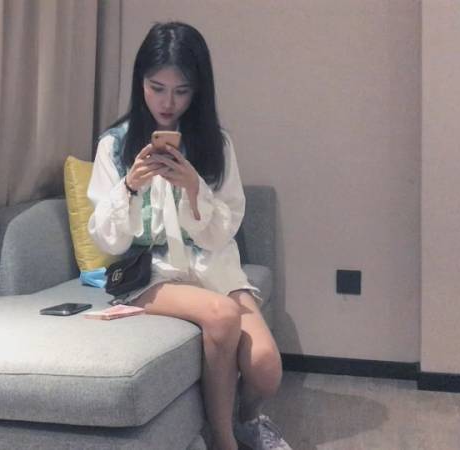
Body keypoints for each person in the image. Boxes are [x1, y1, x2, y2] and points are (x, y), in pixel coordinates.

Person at [87, 22, 292, 450]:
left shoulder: (217, 145)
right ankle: (223, 440)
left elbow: (222, 233)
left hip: (213, 268)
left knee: (266, 369)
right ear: (140, 83)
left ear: (198, 89)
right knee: (221, 315)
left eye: (181, 91)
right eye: (156, 88)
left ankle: (246, 420)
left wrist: (195, 190)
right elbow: (109, 241)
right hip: (150, 274)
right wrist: (130, 187)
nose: (167, 103)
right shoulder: (115, 146)